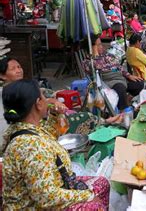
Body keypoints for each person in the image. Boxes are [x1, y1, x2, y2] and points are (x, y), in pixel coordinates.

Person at [2, 80, 109, 209]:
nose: (47, 100)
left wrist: (54, 113)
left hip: (55, 184)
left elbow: (49, 135)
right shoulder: (31, 147)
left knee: (102, 184)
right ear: (38, 104)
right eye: (43, 98)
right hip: (34, 205)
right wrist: (88, 196)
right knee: (94, 205)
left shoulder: (25, 127)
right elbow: (45, 196)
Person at [84, 38, 143, 111]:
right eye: (98, 45)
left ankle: (127, 99)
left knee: (140, 83)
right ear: (92, 47)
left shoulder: (108, 55)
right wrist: (95, 55)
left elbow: (119, 67)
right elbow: (93, 69)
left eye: (101, 44)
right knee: (120, 88)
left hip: (121, 79)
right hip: (108, 83)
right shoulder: (88, 62)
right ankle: (123, 111)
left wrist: (129, 75)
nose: (101, 46)